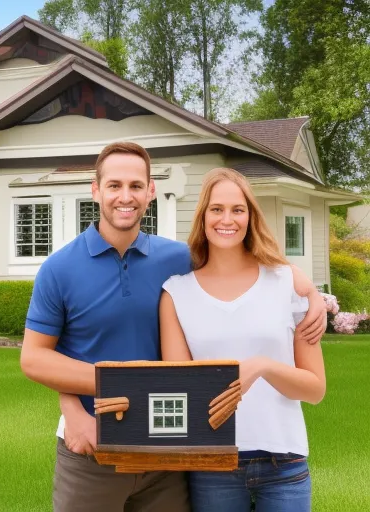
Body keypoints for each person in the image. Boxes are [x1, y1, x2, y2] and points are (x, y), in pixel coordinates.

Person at [20, 144, 326, 512]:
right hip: (91, 440)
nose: (125, 196)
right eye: (114, 185)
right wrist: (74, 409)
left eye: (135, 185)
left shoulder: (178, 262)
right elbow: (35, 358)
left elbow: (236, 257)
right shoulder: (58, 268)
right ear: (95, 190)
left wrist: (310, 290)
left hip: (166, 447)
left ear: (150, 191)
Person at [160, 167, 326, 512]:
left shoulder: (288, 282)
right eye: (216, 209)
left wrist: (262, 367)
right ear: (203, 216)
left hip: (285, 462)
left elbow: (314, 389)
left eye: (238, 209)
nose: (227, 219)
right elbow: (179, 391)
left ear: (251, 217)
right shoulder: (176, 294)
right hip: (213, 465)